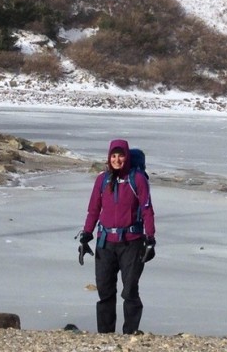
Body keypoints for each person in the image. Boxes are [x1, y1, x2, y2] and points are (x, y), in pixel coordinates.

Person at [78, 139, 156, 334]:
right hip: (105, 244)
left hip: (131, 243)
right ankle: (105, 336)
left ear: (127, 156)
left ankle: (130, 334)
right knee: (105, 292)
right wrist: (86, 235)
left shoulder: (137, 179)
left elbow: (147, 209)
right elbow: (94, 210)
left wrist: (150, 239)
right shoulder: (102, 180)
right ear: (109, 157)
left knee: (129, 291)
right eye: (114, 155)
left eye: (121, 155)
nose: (117, 159)